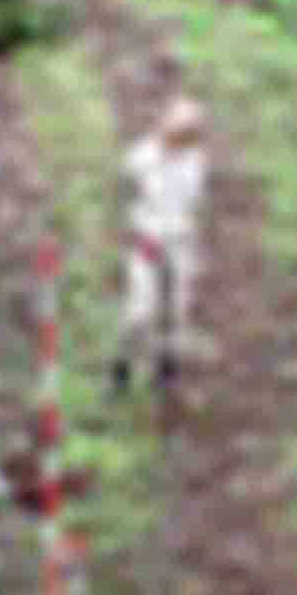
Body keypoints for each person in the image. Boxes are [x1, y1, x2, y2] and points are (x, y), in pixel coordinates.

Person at [115, 98, 208, 393]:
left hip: (179, 243)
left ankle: (167, 370)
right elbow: (129, 192)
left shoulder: (194, 162)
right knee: (139, 312)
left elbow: (190, 204)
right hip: (146, 242)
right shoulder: (142, 156)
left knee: (176, 311)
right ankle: (122, 369)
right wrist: (140, 232)